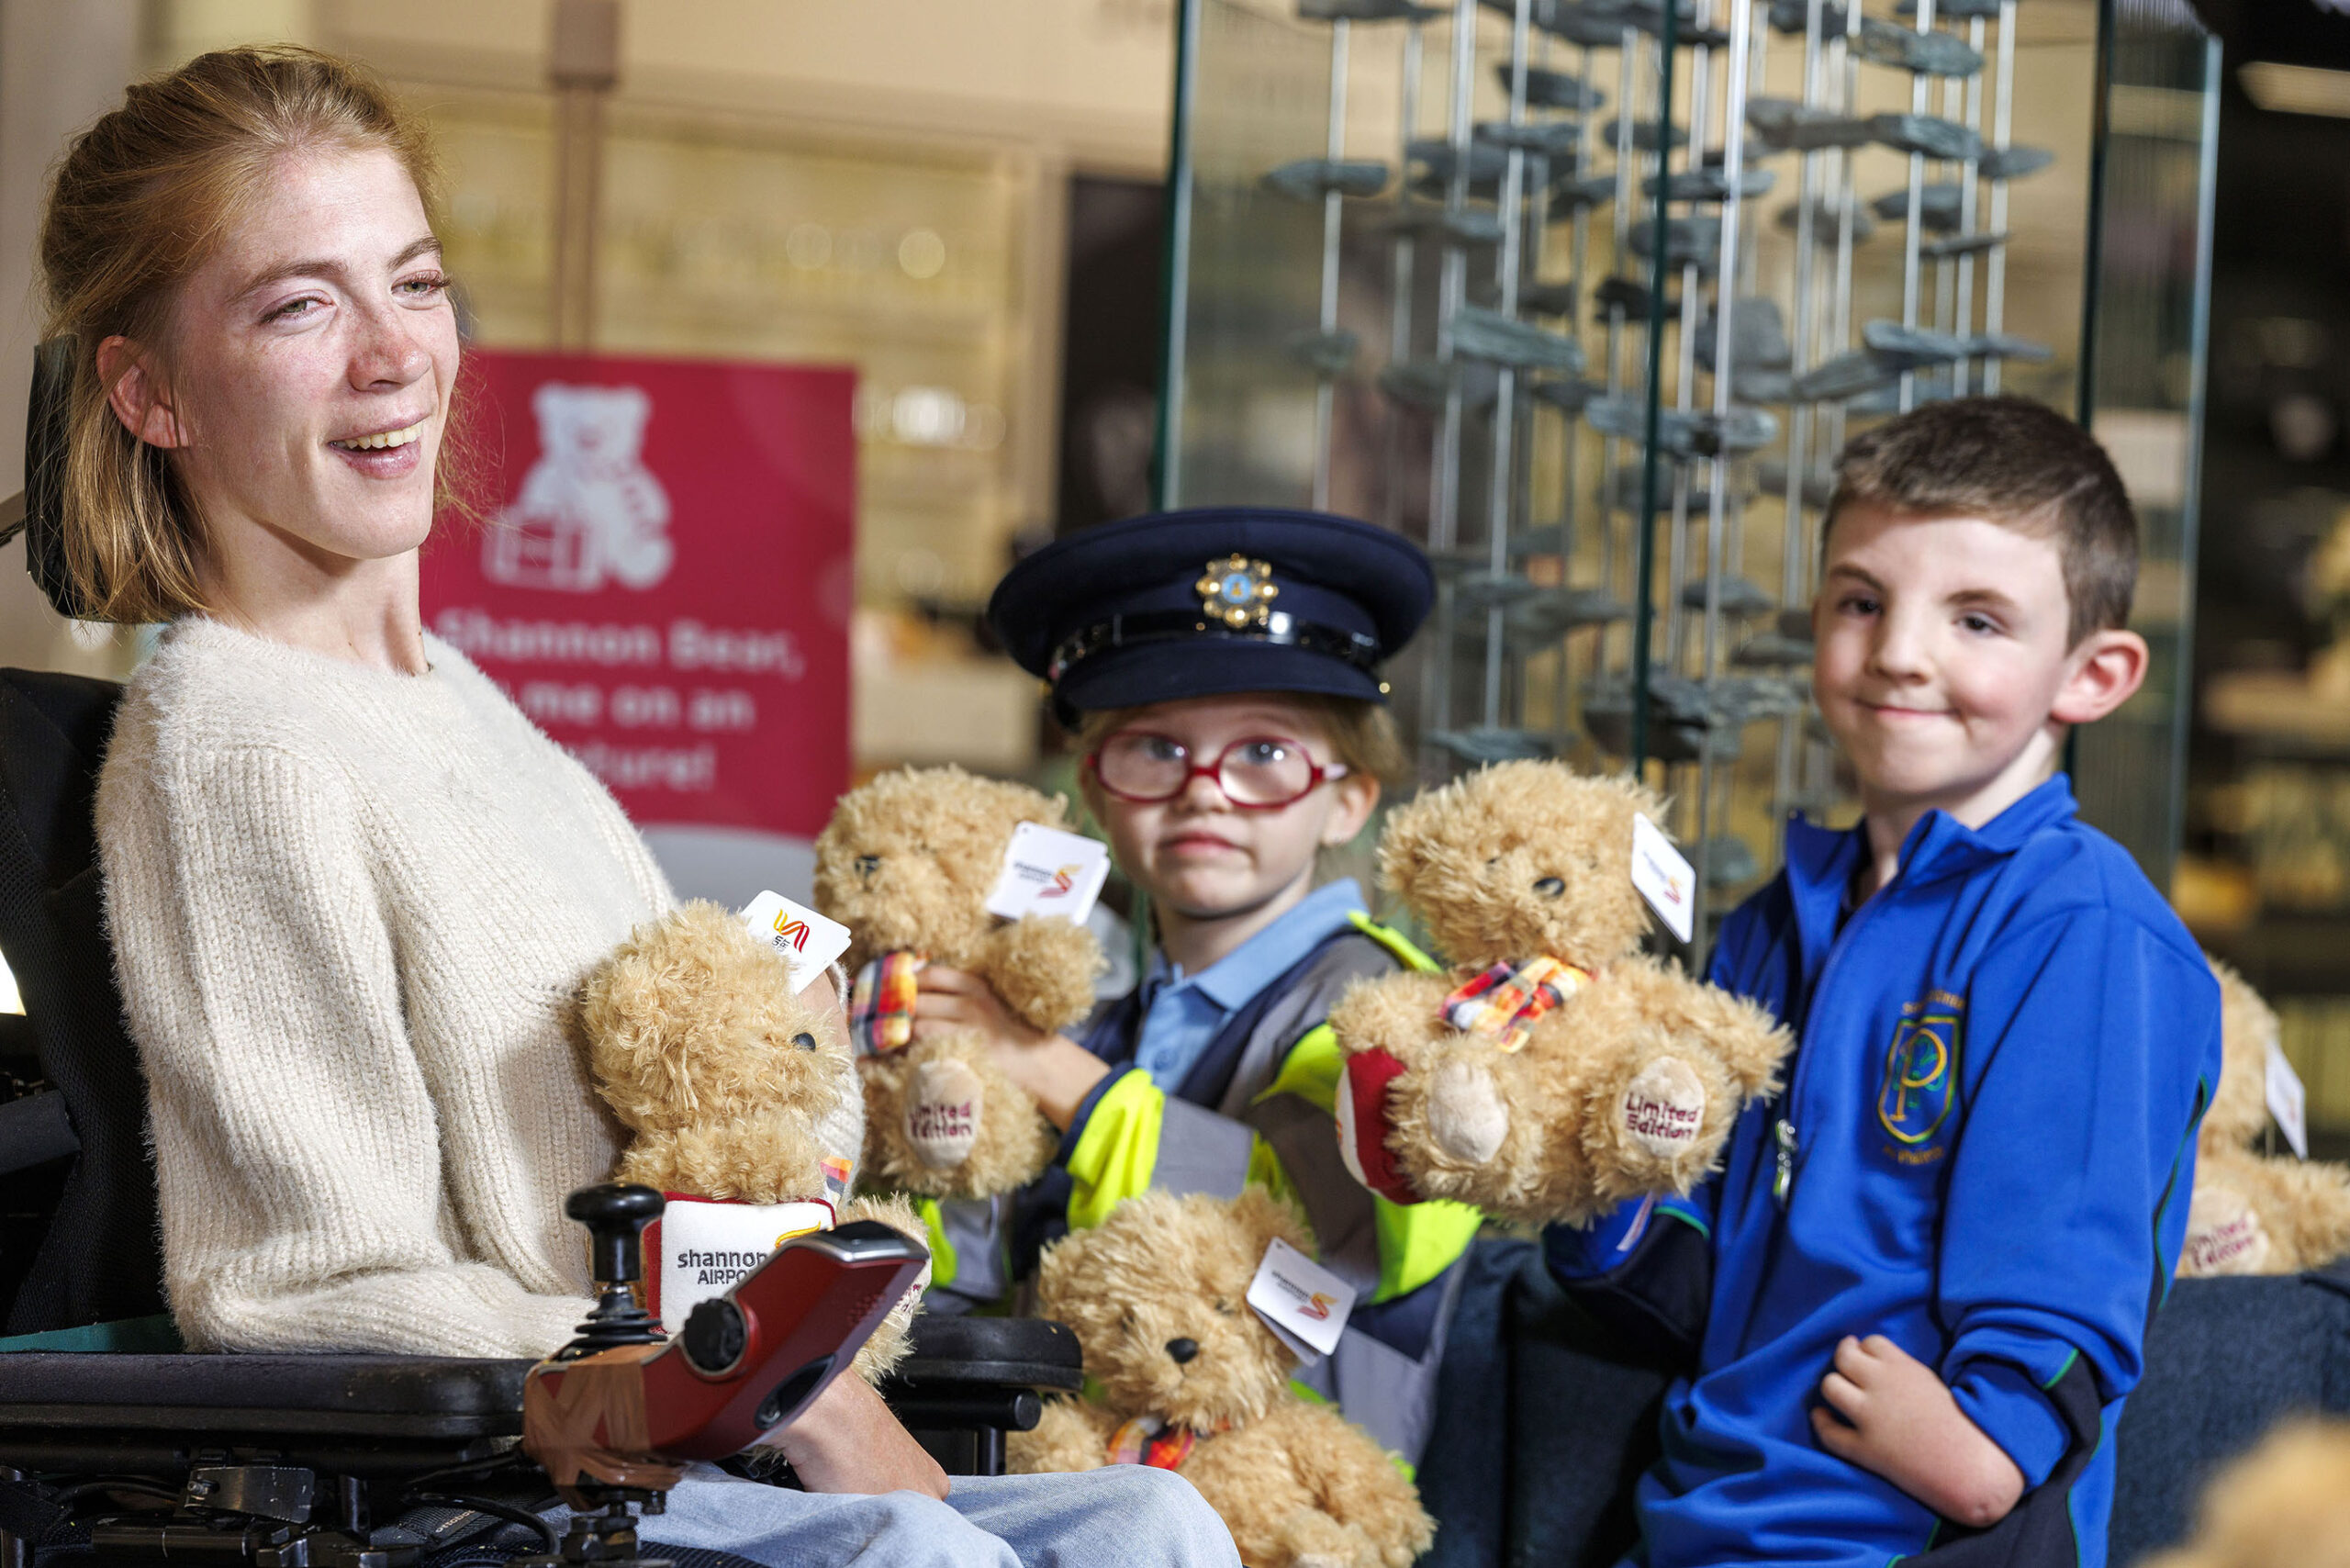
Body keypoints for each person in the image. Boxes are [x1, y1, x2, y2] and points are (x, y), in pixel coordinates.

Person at [63, 45, 1234, 1568]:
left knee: (1152, 1516)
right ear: (148, 389)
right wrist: (755, 1382)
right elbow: (297, 1289)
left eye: (413, 284)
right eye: (298, 305)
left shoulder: (475, 714)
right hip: (488, 1491)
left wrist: (806, 1049)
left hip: (680, 1454)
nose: (396, 355)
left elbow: (680, 1143)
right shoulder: (239, 744)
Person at [1545, 397, 2223, 1568]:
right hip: (1697, 1518)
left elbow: (2070, 1244)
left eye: (1977, 619)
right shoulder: (1771, 918)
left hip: (1903, 1534)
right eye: (1862, 601)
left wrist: (1985, 1443)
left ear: (2093, 673)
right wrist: (1583, 1180)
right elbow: (1705, 1263)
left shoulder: (2085, 927)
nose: (1900, 651)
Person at [901, 508, 1483, 1467]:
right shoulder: (1093, 1010)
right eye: (1155, 748)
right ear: (1093, 786)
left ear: (1349, 796)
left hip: (1278, 1514)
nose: (1204, 788)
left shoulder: (1394, 1013)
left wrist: (1062, 1081)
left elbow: (1305, 1233)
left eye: (1263, 753)